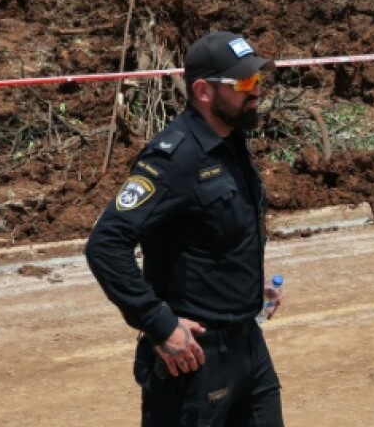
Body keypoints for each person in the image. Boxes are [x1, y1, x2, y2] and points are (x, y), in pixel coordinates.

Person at [86, 30, 285, 427]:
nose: (256, 90)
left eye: (258, 79)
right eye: (245, 82)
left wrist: (244, 286)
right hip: (194, 358)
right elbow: (106, 244)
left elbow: (213, 235)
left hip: (247, 345)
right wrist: (160, 325)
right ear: (203, 91)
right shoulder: (174, 158)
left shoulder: (232, 144)